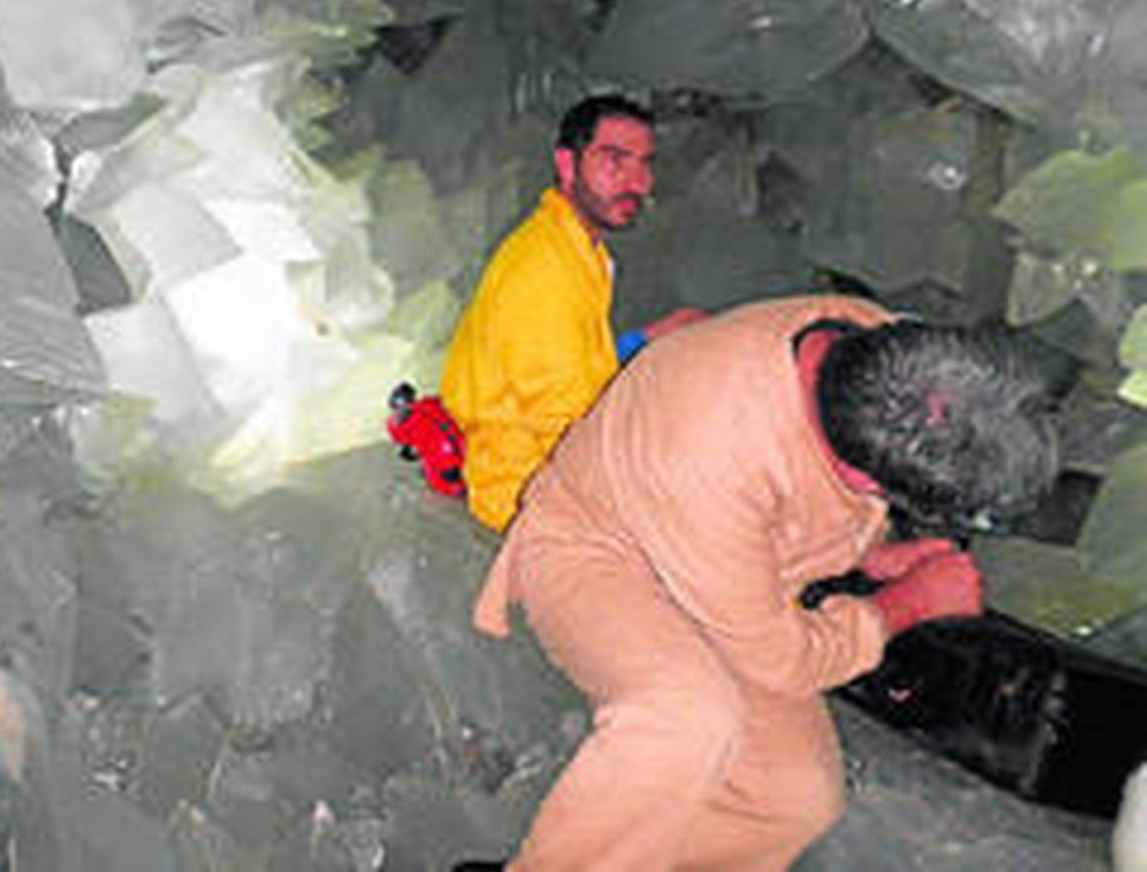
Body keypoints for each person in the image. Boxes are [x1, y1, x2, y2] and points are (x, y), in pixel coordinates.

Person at [456, 295, 1058, 872]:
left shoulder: (876, 344)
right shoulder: (706, 447)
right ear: (857, 474)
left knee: (796, 796)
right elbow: (783, 659)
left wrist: (870, 553)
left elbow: (796, 499)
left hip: (720, 563)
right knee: (687, 716)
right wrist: (904, 606)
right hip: (598, 553)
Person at [439, 93, 701, 532]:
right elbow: (570, 428)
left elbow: (568, 374)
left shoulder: (574, 246)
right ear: (566, 164)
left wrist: (645, 342)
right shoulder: (545, 270)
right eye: (614, 161)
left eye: (645, 164)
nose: (636, 182)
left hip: (545, 464)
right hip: (523, 496)